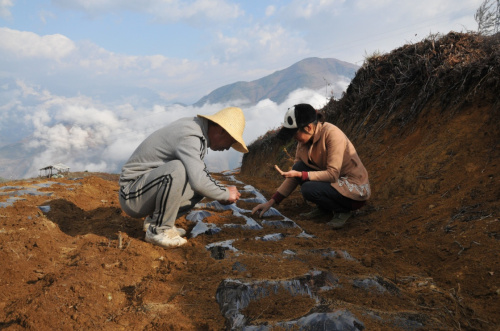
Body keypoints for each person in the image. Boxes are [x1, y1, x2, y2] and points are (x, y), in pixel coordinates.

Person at [119, 107, 248, 248]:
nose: (229, 147)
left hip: (144, 188)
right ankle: (158, 230)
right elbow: (199, 180)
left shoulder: (196, 130)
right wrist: (224, 194)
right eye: (231, 141)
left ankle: (156, 220)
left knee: (197, 185)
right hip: (131, 195)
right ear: (222, 131)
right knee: (178, 169)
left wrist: (221, 192)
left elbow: (200, 176)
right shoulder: (192, 136)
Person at [252, 103, 370, 229]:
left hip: (354, 191)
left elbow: (332, 174)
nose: (294, 138)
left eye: (295, 134)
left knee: (308, 188)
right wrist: (271, 202)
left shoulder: (332, 134)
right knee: (298, 167)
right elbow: (295, 174)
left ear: (308, 128)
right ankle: (324, 209)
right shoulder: (303, 143)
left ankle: (343, 211)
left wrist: (301, 175)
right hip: (334, 186)